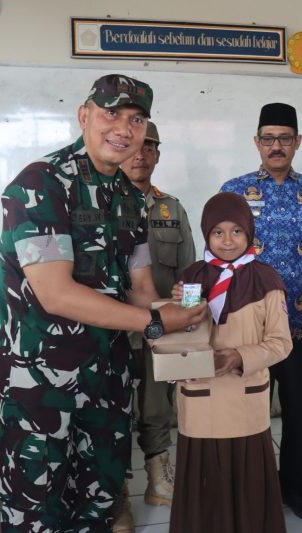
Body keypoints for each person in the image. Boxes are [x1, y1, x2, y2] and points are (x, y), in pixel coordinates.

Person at [0, 74, 207, 531]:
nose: (124, 129)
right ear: (84, 115)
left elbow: (141, 285)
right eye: (112, 113)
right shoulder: (41, 184)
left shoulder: (130, 197)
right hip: (42, 387)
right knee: (38, 511)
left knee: (100, 502)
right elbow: (56, 293)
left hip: (108, 380)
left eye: (136, 119)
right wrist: (152, 322)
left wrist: (179, 319)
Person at [220, 102, 302, 520]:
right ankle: (249, 487)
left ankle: (294, 487)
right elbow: (216, 255)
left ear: (297, 142)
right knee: (248, 412)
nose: (276, 146)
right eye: (268, 138)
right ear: (256, 142)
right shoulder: (233, 191)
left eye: (284, 139)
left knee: (297, 413)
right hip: (246, 328)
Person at [169, 192, 292, 533]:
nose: (227, 240)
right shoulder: (191, 277)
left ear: (250, 233)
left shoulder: (267, 280)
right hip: (201, 399)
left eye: (236, 231)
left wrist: (240, 356)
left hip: (244, 396)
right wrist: (176, 307)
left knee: (246, 480)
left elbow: (282, 343)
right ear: (206, 234)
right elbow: (180, 334)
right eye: (218, 232)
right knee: (204, 480)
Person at [113, 122, 196, 528]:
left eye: (150, 147)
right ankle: (115, 494)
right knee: (111, 410)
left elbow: (192, 276)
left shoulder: (171, 209)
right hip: (109, 329)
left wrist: (189, 324)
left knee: (156, 405)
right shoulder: (102, 203)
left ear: (158, 155)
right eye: (134, 147)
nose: (140, 155)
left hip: (159, 329)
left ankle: (157, 479)